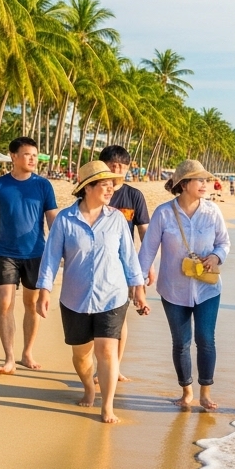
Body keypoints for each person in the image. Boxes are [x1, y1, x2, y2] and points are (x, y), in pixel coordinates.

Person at [35, 161, 149, 424]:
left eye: (112, 185)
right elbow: (51, 257)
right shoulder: (65, 219)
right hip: (75, 298)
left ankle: (107, 406)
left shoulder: (117, 219)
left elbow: (129, 257)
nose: (110, 190)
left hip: (112, 295)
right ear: (87, 187)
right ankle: (88, 387)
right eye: (104, 185)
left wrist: (139, 290)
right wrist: (44, 290)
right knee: (81, 354)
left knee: (107, 351)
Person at [140, 159, 230, 412]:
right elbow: (148, 250)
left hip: (207, 288)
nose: (205, 184)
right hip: (173, 289)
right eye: (199, 179)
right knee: (181, 342)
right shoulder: (164, 213)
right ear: (183, 183)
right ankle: (186, 391)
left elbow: (224, 243)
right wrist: (138, 285)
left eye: (205, 179)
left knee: (206, 339)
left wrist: (216, 257)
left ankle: (205, 392)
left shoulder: (212, 211)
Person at [0, 136, 59, 375]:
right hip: (5, 254)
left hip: (36, 253)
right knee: (5, 303)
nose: (32, 159)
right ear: (14, 156)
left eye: (35, 155)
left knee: (31, 303)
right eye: (27, 154)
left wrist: (62, 250)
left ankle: (27, 353)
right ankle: (9, 358)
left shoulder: (43, 186)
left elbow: (53, 220)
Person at [100, 145, 149, 382]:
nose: (117, 170)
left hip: (123, 265)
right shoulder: (95, 191)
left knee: (120, 316)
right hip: (98, 264)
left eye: (122, 166)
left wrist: (147, 266)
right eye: (113, 165)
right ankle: (101, 364)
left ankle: (114, 366)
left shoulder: (134, 196)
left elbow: (144, 232)